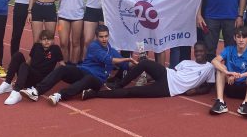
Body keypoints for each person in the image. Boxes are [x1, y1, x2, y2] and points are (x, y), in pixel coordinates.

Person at [20, 25, 137, 105]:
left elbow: (126, 65)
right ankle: (36, 91)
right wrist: (128, 58)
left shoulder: (112, 50)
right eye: (101, 36)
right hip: (83, 71)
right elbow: (108, 59)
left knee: (89, 78)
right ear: (96, 37)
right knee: (63, 69)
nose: (104, 39)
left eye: (106, 36)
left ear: (108, 36)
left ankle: (60, 95)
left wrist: (138, 63)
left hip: (96, 80)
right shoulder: (94, 46)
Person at [82, 41, 215, 100]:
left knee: (131, 93)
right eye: (196, 51)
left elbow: (208, 87)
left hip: (168, 89)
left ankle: (95, 94)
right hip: (167, 73)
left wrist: (196, 91)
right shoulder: (186, 62)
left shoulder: (209, 67)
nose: (198, 53)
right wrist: (152, 76)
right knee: (144, 62)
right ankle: (119, 83)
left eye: (201, 51)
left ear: (206, 52)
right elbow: (173, 70)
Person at [0, 30, 64, 105]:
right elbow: (28, 61)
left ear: (53, 40)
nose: (46, 41)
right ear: (40, 40)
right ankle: (7, 83)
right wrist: (22, 75)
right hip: (30, 74)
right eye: (44, 39)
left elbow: (62, 65)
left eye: (49, 39)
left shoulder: (55, 49)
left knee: (24, 65)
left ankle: (17, 92)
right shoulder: (36, 46)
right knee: (18, 55)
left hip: (40, 80)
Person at [209, 26, 247, 118]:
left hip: (244, 87)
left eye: (244, 37)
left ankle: (245, 104)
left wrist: (241, 75)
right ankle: (220, 102)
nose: (241, 40)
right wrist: (227, 73)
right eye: (238, 37)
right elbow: (214, 61)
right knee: (221, 68)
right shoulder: (229, 49)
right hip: (229, 84)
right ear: (235, 38)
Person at [58, 0, 85, 64]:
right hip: (63, 16)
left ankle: (73, 65)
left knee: (76, 42)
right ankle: (65, 64)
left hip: (78, 16)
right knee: (63, 42)